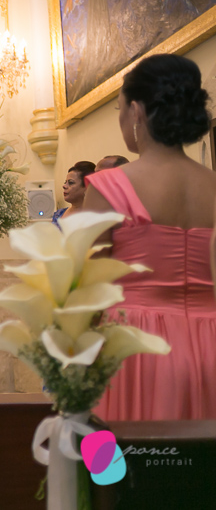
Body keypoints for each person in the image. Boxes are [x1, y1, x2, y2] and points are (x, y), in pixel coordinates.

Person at [84, 54, 216, 421]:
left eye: (120, 107)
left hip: (133, 348)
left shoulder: (109, 186)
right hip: (211, 345)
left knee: (115, 470)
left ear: (137, 110)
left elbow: (90, 292)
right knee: (203, 473)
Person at [51, 160, 95, 225]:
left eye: (71, 183)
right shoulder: (59, 214)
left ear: (86, 187)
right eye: (65, 182)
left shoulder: (95, 216)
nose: (64, 186)